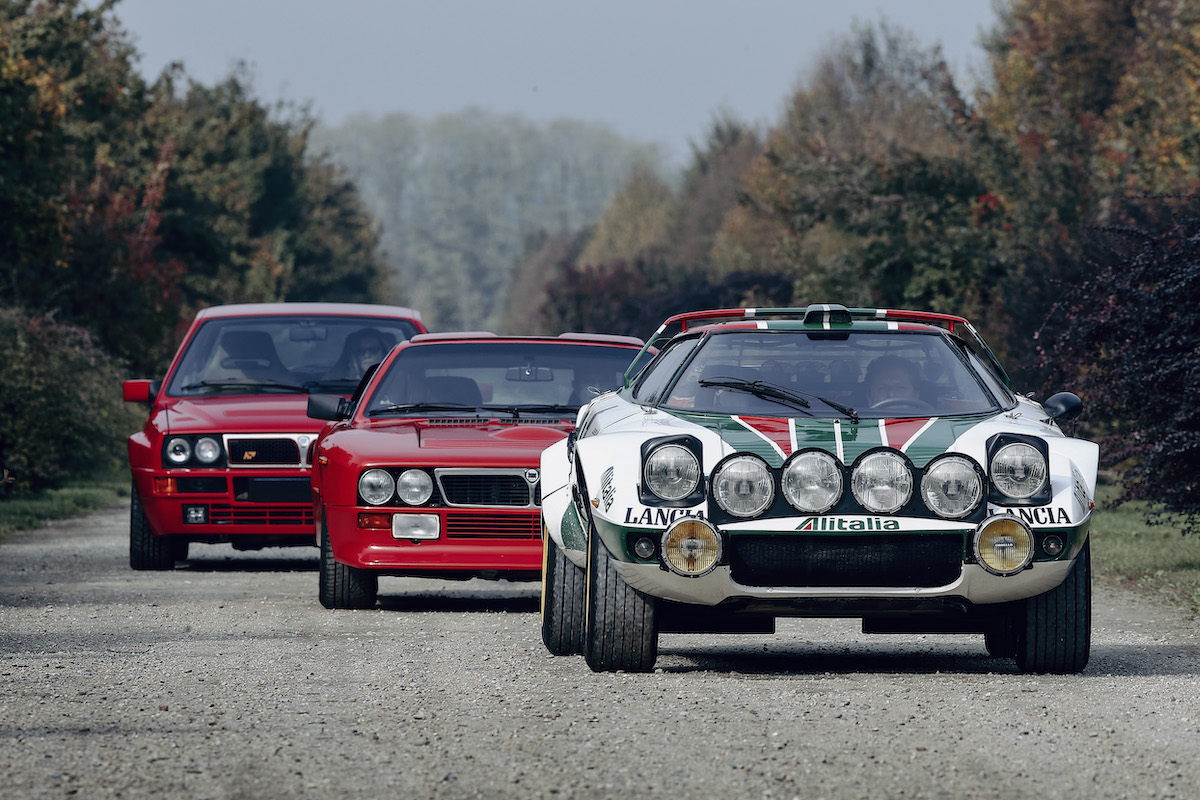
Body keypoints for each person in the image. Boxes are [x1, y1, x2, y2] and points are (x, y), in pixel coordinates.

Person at [326, 328, 392, 381]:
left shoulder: (395, 378)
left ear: (384, 352)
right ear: (355, 356)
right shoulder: (337, 380)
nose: (367, 355)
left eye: (372, 350)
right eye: (361, 351)